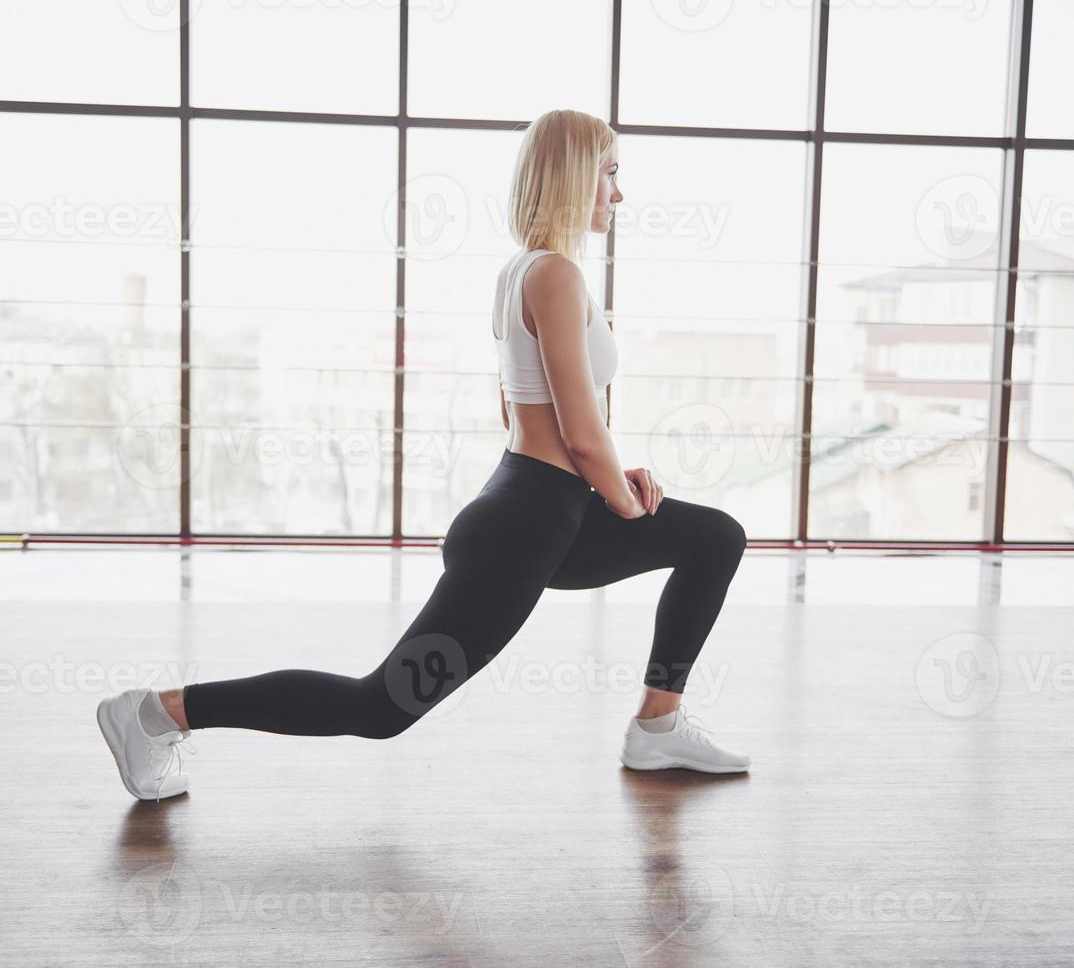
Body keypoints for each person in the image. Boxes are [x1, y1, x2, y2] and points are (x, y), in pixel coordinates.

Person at [97, 109, 750, 802]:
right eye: (610, 174)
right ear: (572, 177)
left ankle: (657, 726)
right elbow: (581, 433)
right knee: (378, 708)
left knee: (712, 537)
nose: (618, 194)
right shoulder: (554, 274)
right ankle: (155, 713)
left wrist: (608, 486)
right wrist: (621, 498)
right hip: (525, 527)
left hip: (543, 508)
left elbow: (521, 411)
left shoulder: (522, 271)